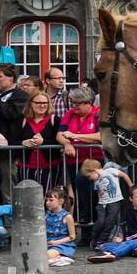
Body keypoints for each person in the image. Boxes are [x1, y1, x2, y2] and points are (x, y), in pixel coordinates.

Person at [57, 86, 103, 237]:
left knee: (95, 194)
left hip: (94, 161)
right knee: (80, 193)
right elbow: (60, 134)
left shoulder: (98, 114)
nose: (74, 106)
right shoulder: (69, 115)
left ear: (88, 103)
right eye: (72, 102)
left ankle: (98, 228)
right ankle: (86, 231)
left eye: (77, 103)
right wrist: (67, 143)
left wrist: (76, 137)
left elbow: (100, 136)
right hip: (74, 161)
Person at [82, 157, 131, 248]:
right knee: (100, 222)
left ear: (94, 170)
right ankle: (94, 238)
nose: (90, 179)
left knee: (110, 222)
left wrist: (131, 187)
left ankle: (101, 241)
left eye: (89, 176)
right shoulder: (96, 181)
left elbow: (124, 175)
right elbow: (99, 193)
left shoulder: (110, 171)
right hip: (102, 204)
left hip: (115, 201)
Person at [15, 92, 61, 190]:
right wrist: (23, 143)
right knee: (27, 198)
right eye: (38, 102)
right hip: (26, 167)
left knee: (47, 197)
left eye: (45, 103)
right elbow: (12, 141)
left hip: (49, 166)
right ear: (31, 103)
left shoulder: (55, 120)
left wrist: (43, 142)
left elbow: (60, 141)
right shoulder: (22, 120)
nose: (42, 105)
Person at [44, 187, 76, 266]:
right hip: (47, 243)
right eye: (46, 200)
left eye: (51, 200)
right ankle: (57, 258)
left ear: (61, 201)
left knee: (45, 256)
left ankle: (61, 257)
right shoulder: (46, 215)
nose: (47, 203)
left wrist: (57, 242)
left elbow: (72, 236)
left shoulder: (67, 217)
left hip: (62, 245)